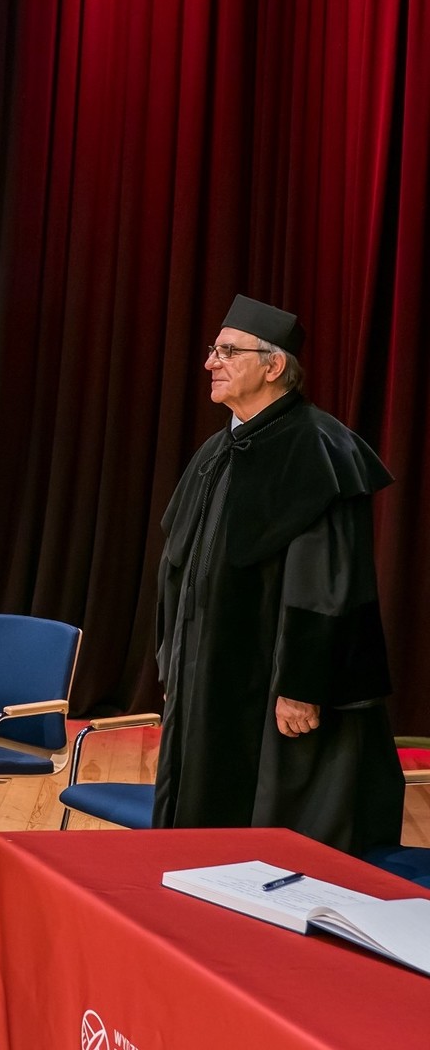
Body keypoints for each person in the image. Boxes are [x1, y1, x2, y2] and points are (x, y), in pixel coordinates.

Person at [154, 294, 405, 855]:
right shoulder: (219, 450)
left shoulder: (317, 448)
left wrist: (302, 686)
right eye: (213, 350)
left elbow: (328, 587)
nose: (210, 362)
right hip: (206, 678)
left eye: (227, 351)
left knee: (272, 835)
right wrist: (174, 658)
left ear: (273, 366)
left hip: (278, 687)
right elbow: (179, 568)